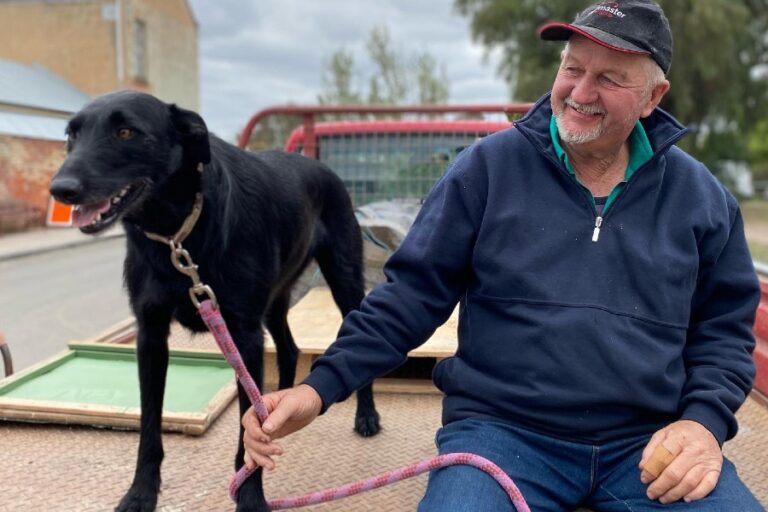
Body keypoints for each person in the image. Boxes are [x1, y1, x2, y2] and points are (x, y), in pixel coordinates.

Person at [242, 1, 764, 510]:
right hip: (501, 434)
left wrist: (701, 425)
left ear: (653, 97)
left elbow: (724, 331)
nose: (581, 92)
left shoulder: (701, 199)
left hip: (648, 443)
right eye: (572, 68)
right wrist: (316, 389)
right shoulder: (486, 170)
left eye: (609, 78)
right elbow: (409, 298)